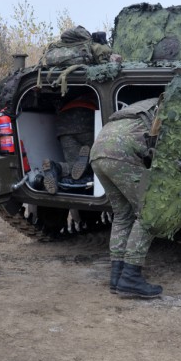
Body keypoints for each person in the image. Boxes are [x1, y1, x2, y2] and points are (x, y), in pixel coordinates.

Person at [89, 98, 163, 298]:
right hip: (121, 153)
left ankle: (117, 276)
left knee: (123, 214)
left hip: (98, 151)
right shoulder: (169, 106)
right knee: (148, 213)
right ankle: (131, 277)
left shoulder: (144, 105)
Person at [41, 91, 97, 194]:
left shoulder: (74, 97)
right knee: (97, 157)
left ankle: (55, 168)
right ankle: (88, 159)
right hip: (86, 119)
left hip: (63, 124)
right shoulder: (96, 94)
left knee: (72, 166)